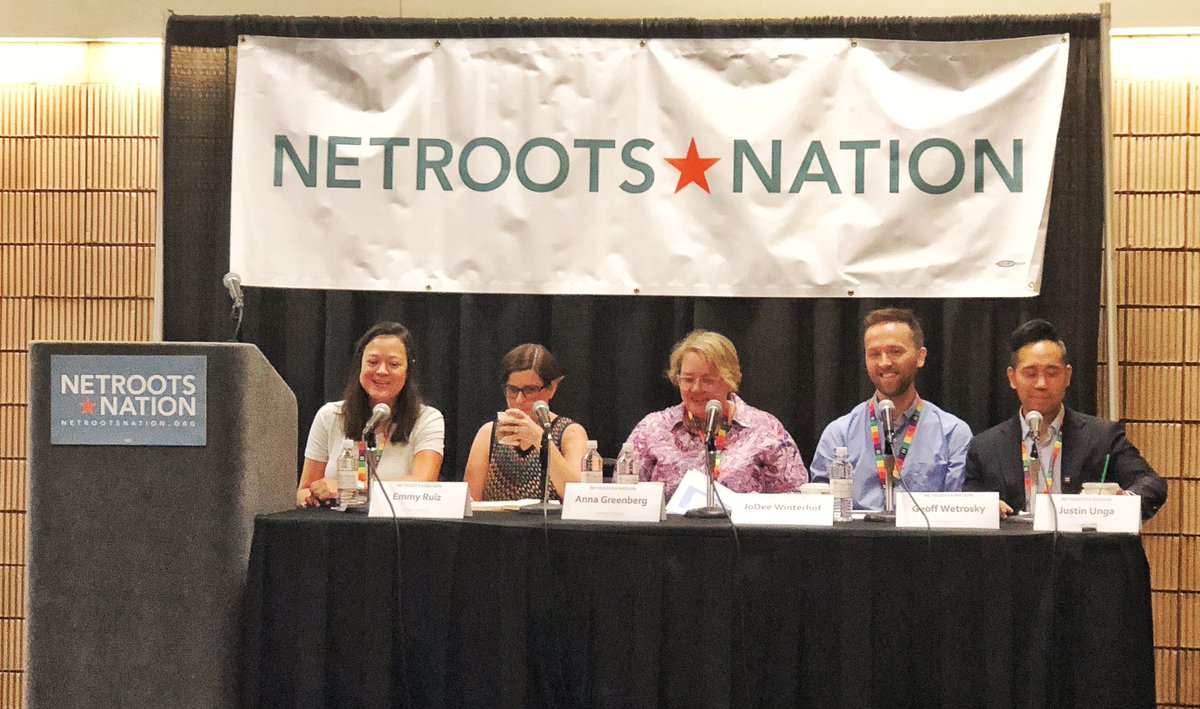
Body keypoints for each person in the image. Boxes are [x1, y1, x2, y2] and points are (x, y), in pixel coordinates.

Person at [963, 318, 1166, 519]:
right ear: (1012, 378)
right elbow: (970, 504)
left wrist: (1123, 502)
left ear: (1067, 376)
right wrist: (986, 508)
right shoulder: (985, 447)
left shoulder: (1102, 437)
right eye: (1030, 374)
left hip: (1082, 540)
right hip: (1015, 541)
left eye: (1052, 373)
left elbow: (1151, 483)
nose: (1041, 384)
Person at [809, 308, 972, 510]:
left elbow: (959, 510)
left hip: (925, 531)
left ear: (920, 357)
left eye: (896, 351)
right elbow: (820, 510)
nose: (884, 362)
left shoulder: (952, 434)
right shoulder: (839, 434)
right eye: (874, 354)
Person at [623, 330, 807, 499]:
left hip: (740, 526)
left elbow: (795, 499)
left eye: (708, 380)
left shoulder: (766, 430)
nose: (696, 388)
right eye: (688, 380)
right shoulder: (652, 429)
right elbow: (624, 497)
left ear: (730, 380)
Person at [296, 321, 444, 508]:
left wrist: (351, 488)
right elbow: (304, 490)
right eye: (373, 362)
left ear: (408, 371)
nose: (381, 371)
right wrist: (310, 497)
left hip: (397, 524)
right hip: (336, 522)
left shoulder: (427, 419)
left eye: (394, 364)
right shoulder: (330, 415)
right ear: (360, 365)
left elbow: (424, 484)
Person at [464, 344, 589, 501]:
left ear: (552, 388)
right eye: (512, 390)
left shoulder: (570, 433)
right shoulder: (489, 433)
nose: (519, 400)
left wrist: (541, 440)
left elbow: (578, 496)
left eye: (530, 390)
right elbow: (471, 500)